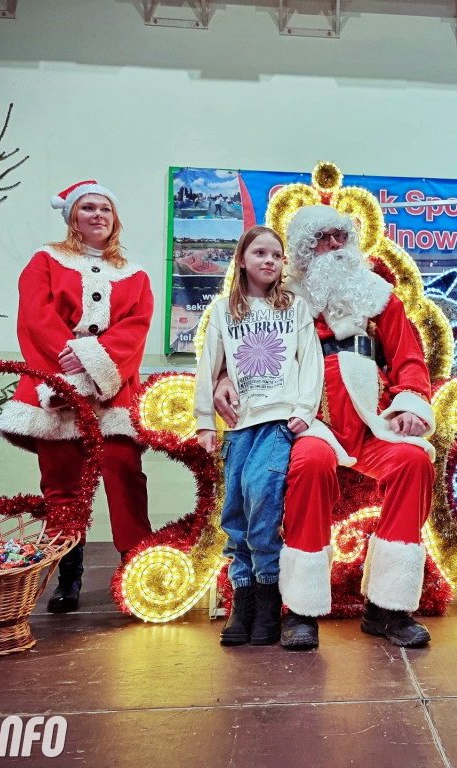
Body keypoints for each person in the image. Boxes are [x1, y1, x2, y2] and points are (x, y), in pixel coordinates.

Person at [214, 205, 437, 650]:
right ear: (301, 249)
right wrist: (222, 378)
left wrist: (411, 403)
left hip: (373, 424)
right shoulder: (279, 298)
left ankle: (388, 608)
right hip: (309, 423)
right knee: (311, 465)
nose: (334, 246)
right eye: (322, 238)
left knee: (413, 460)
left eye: (340, 237)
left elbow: (409, 359)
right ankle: (302, 609)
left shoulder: (378, 295)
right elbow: (243, 347)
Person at [0, 180, 154, 614]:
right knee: (62, 483)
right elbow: (36, 319)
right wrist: (67, 371)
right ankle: (70, 575)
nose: (98, 215)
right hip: (54, 387)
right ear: (71, 217)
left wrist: (95, 364)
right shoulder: (45, 261)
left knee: (125, 475)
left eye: (105, 208)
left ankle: (134, 568)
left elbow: (135, 330)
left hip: (113, 393)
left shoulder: (135, 275)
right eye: (88, 208)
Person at [193, 225, 323, 646]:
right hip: (239, 422)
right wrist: (203, 420)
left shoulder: (294, 308)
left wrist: (304, 409)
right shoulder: (224, 312)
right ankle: (242, 597)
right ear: (243, 260)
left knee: (261, 495)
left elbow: (311, 362)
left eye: (276, 255)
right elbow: (208, 366)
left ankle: (269, 595)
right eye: (260, 253)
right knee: (234, 507)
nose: (269, 261)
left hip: (280, 419)